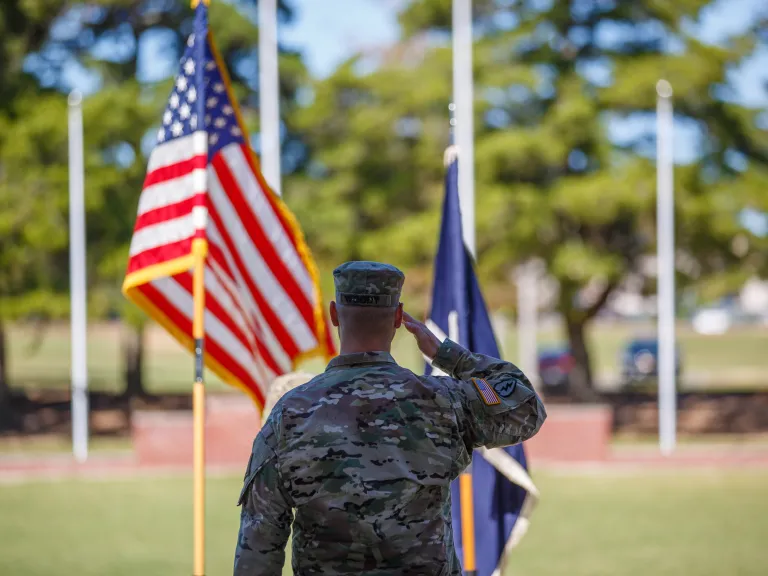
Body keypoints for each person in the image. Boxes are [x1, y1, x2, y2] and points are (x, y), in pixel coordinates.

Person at [233, 261, 546, 576]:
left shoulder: (290, 414)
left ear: (334, 314)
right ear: (398, 318)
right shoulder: (444, 401)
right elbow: (525, 408)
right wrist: (449, 355)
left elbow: (259, 545)